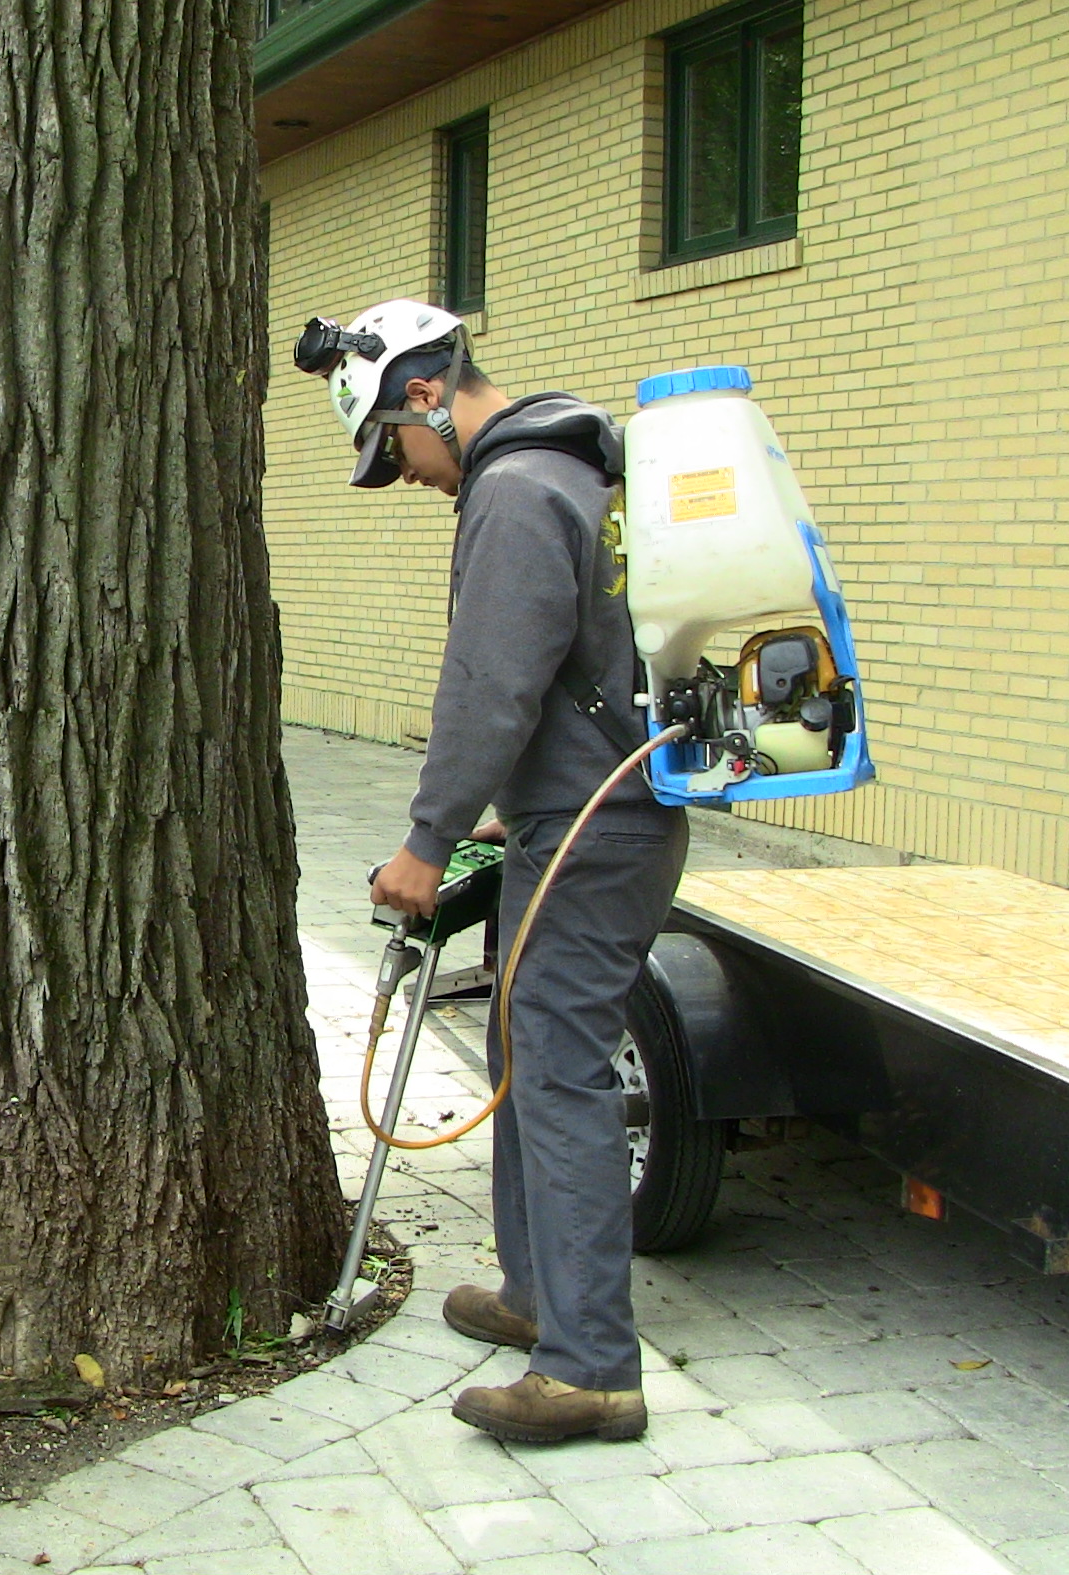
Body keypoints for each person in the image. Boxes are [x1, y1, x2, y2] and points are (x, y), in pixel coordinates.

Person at [292, 300, 688, 1443]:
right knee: (530, 1050)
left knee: (556, 1070)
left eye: (393, 451)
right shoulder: (570, 475)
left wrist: (426, 842)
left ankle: (593, 1371)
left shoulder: (513, 494)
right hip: (590, 818)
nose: (403, 475)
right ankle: (538, 1297)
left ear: (427, 394)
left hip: (587, 828)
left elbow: (492, 687)